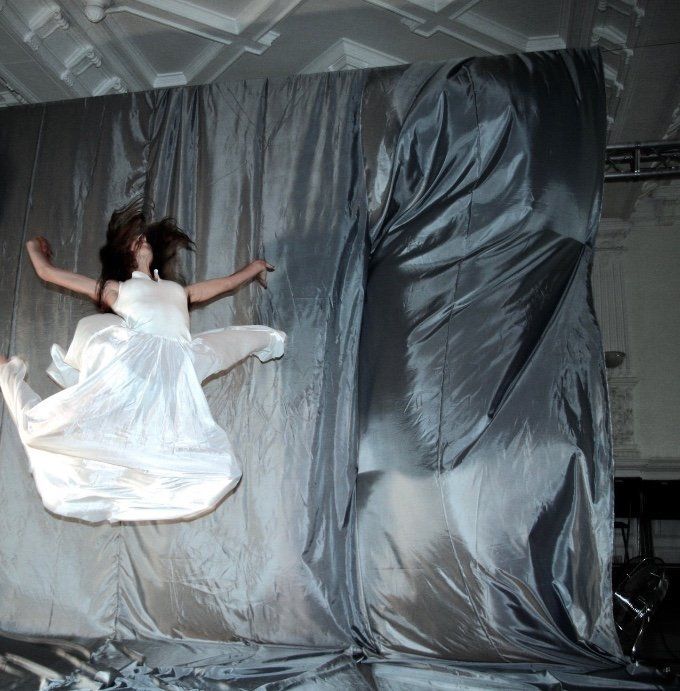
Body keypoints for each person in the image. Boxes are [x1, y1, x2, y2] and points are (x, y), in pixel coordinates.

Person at [0, 198, 286, 523]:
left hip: (179, 359)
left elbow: (224, 284)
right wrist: (34, 247)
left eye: (145, 238)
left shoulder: (178, 290)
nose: (143, 240)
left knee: (237, 345)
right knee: (57, 425)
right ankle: (6, 372)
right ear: (125, 253)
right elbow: (47, 273)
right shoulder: (116, 288)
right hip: (138, 361)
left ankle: (143, 466)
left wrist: (253, 267)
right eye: (136, 240)